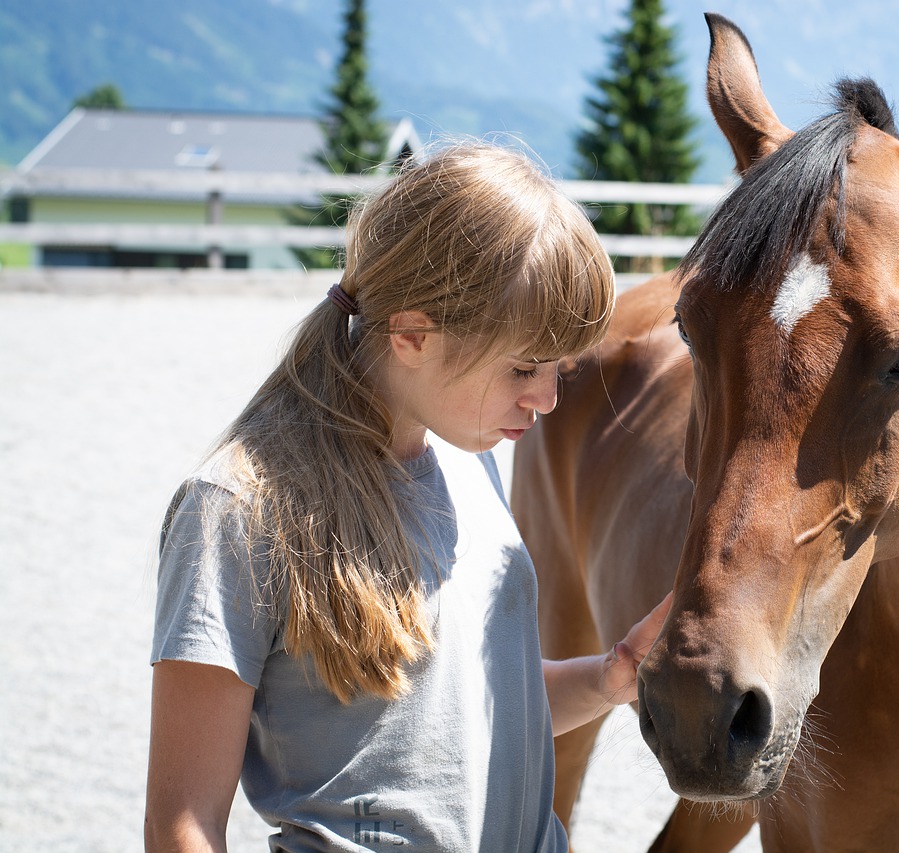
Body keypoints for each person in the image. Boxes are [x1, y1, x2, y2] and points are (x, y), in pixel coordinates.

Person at [145, 141, 671, 852]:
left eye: (557, 370)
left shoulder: (470, 457)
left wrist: (607, 678)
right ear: (413, 335)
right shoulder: (236, 507)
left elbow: (463, 718)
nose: (546, 399)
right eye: (523, 367)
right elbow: (182, 823)